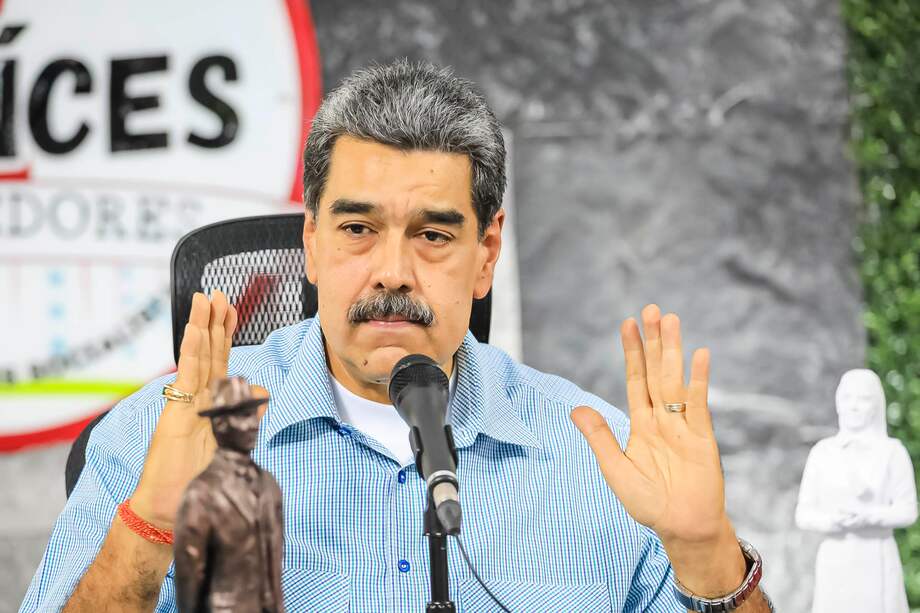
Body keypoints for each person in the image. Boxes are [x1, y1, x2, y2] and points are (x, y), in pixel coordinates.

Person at [21, 59, 773, 612]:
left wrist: (705, 554)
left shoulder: (604, 463)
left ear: (486, 254)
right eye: (357, 229)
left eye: (434, 235)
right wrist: (148, 528)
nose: (393, 271)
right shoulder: (162, 432)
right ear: (311, 244)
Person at [795, 369, 917, 612]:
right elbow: (804, 514)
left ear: (876, 405)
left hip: (876, 555)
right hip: (836, 557)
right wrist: (833, 521)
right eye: (847, 398)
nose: (854, 406)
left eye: (863, 399)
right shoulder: (823, 452)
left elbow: (908, 510)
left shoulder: (892, 452)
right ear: (838, 402)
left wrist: (870, 516)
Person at [173, 377, 283, 613]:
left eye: (252, 415)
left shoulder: (268, 485)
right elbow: (190, 576)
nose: (254, 424)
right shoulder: (202, 491)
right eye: (243, 416)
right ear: (221, 424)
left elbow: (273, 566)